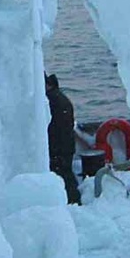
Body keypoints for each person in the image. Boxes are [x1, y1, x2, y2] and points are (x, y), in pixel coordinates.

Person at [45, 73, 81, 204]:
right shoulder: (59, 96)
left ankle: (73, 203)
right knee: (66, 173)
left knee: (63, 175)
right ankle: (74, 201)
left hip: (58, 146)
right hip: (65, 144)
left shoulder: (52, 100)